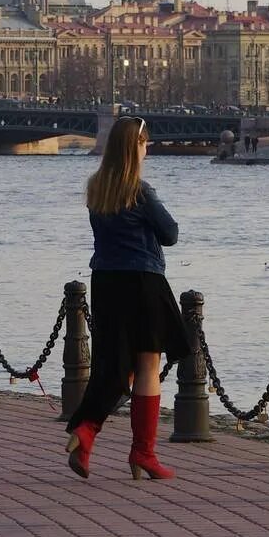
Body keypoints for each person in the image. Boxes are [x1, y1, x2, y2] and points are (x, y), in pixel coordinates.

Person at [65, 116, 187, 481]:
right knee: (148, 365)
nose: (147, 148)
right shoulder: (140, 190)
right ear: (134, 147)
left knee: (114, 364)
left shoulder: (96, 187)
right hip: (143, 281)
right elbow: (170, 234)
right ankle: (143, 454)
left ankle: (85, 432)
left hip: (105, 281)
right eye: (145, 143)